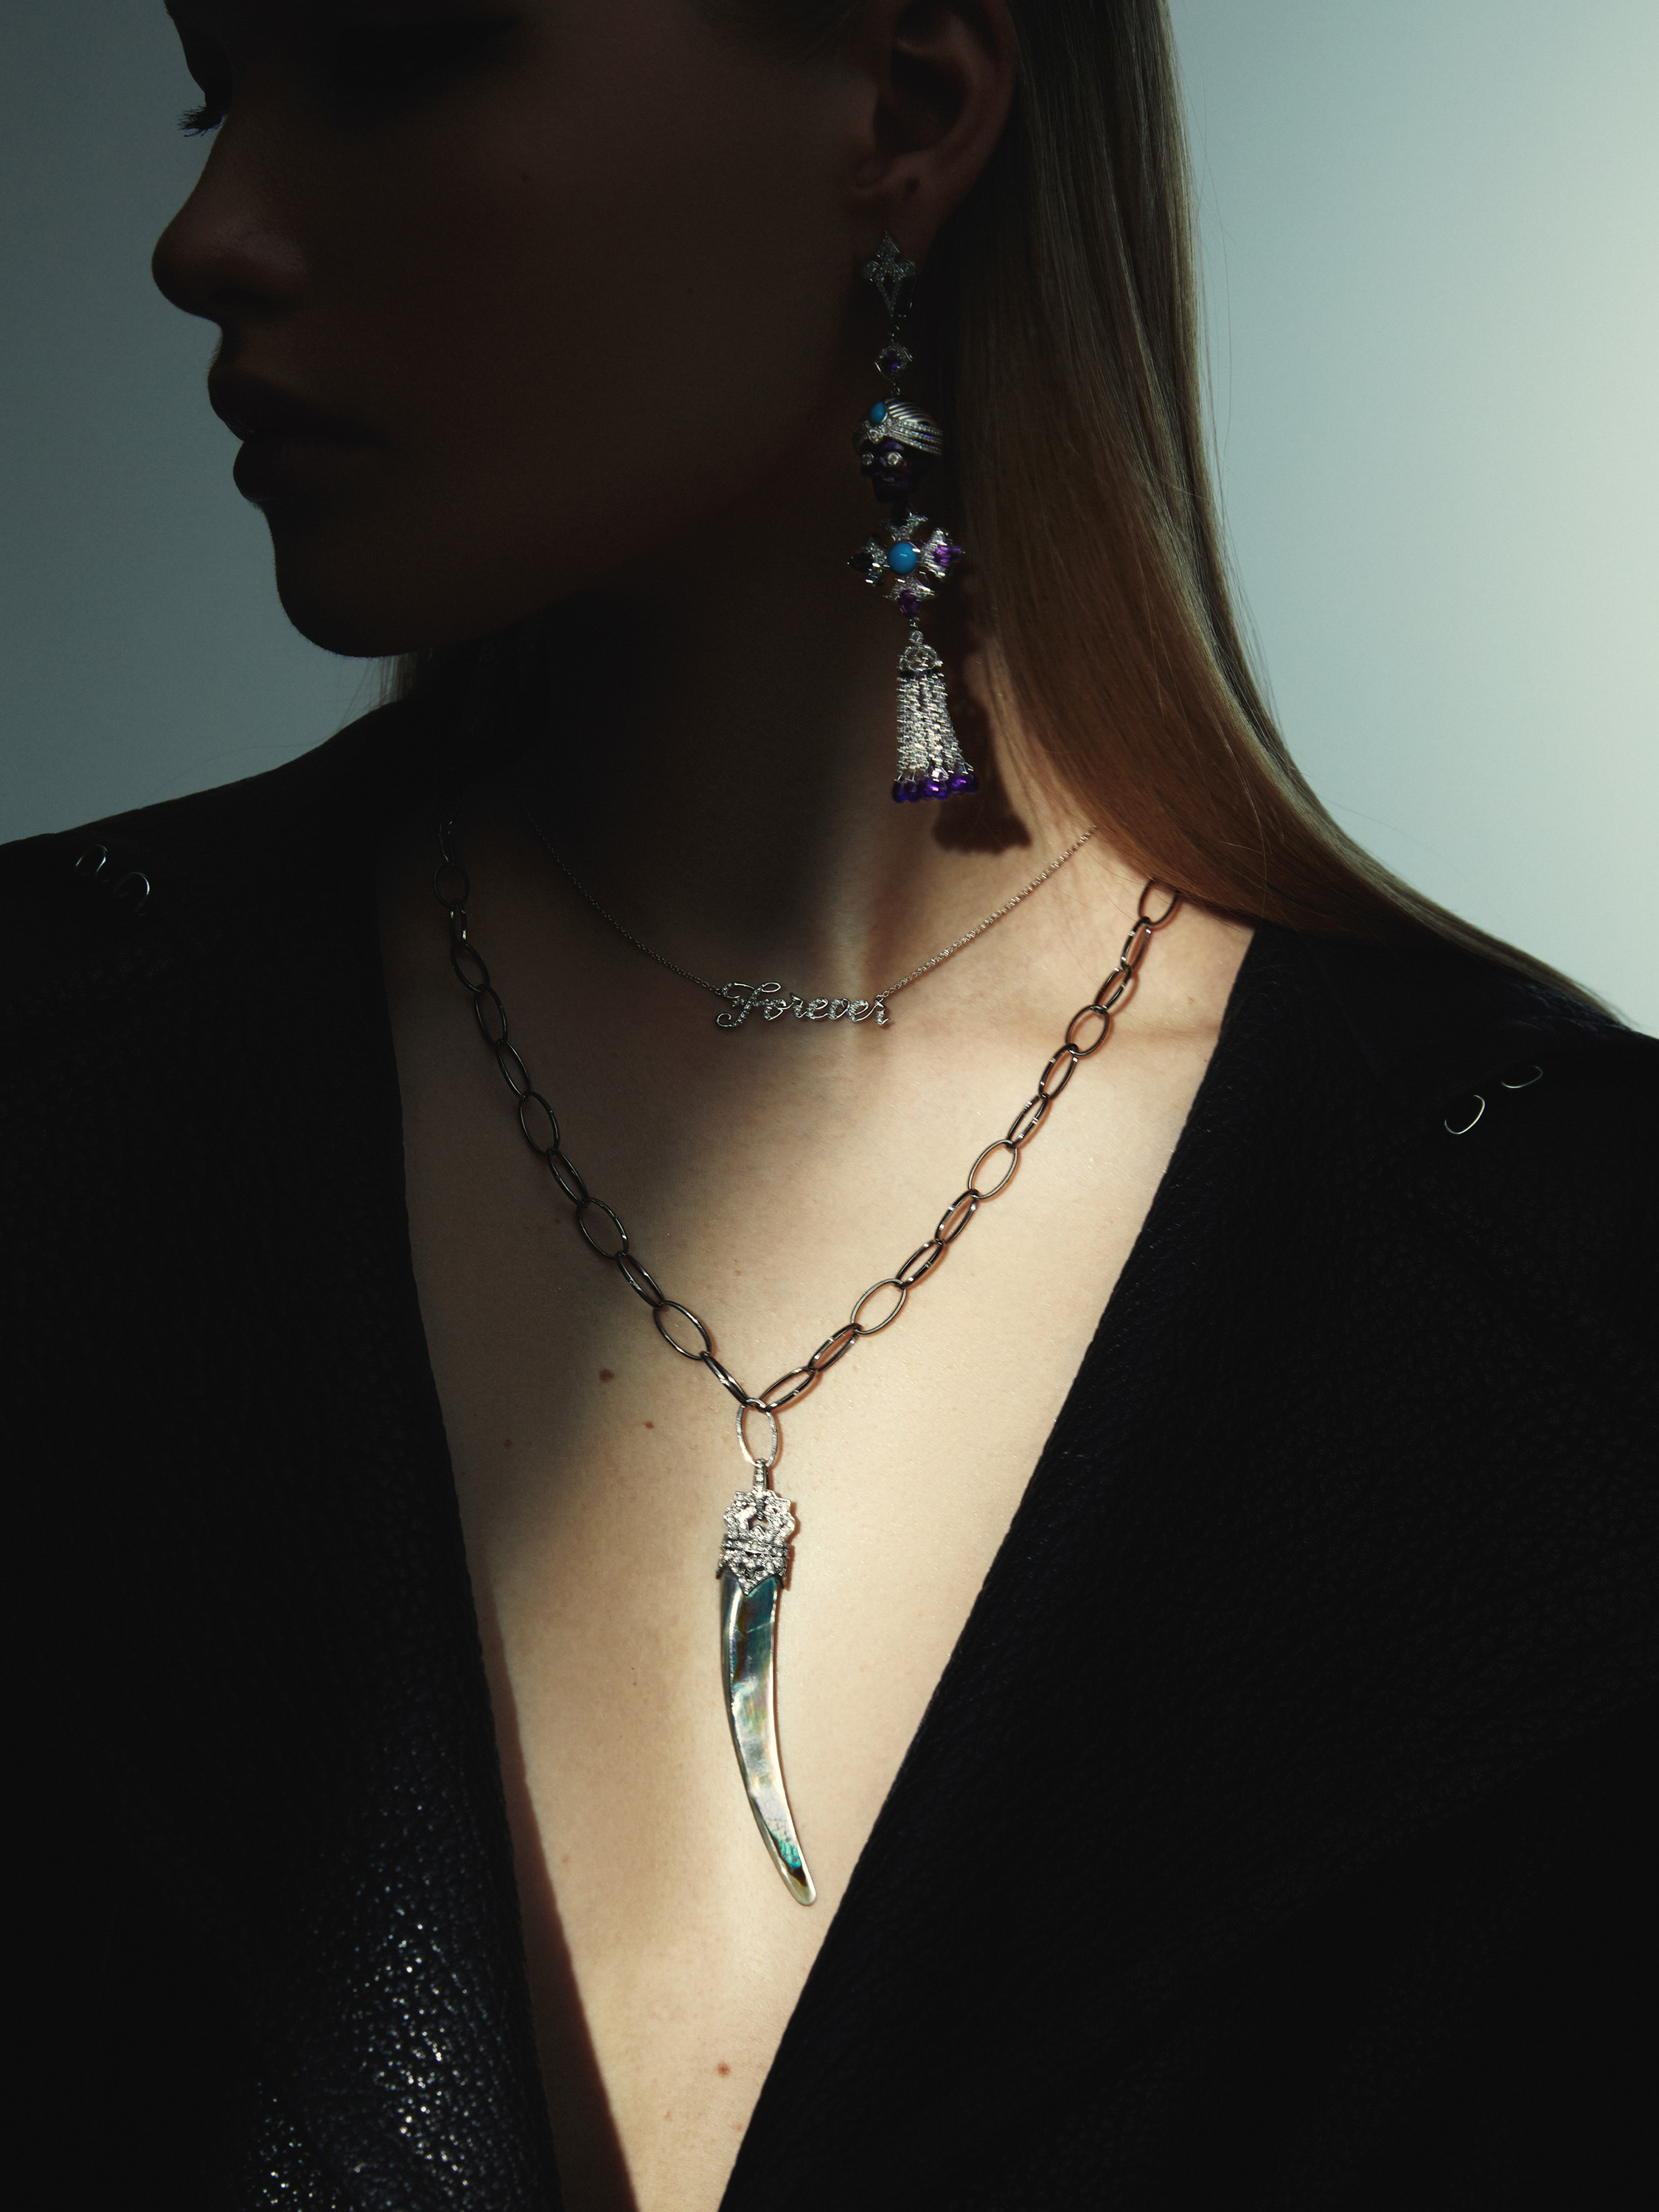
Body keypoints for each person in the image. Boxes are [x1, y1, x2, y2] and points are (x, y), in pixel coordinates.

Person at [8, 3, 1654, 2207]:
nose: (202, 233)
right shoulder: (60, 1085)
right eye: (217, 91)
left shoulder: (1572, 1283)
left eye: (391, 56)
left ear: (909, 104)